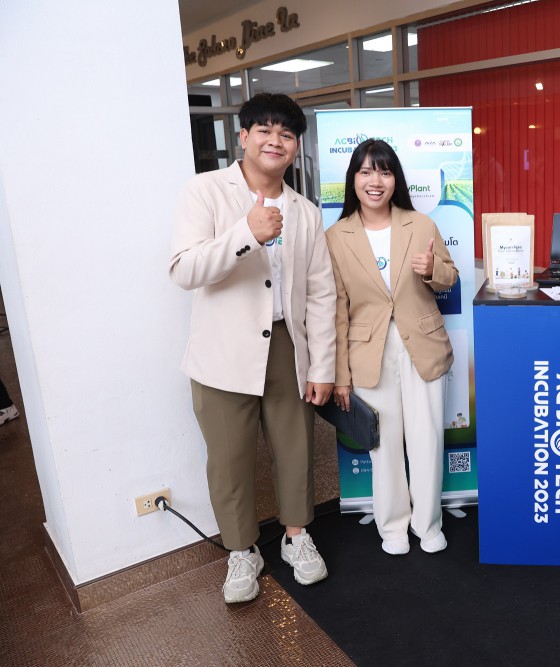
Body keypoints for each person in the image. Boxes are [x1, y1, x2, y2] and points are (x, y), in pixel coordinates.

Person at [169, 93, 337, 603]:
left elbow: (321, 293)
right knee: (229, 459)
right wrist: (247, 233)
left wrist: (323, 365)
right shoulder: (205, 192)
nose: (275, 141)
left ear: (296, 146)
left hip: (288, 345)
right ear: (243, 137)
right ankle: (241, 550)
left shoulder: (306, 212)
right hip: (222, 351)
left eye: (286, 134)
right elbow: (184, 269)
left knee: (296, 449)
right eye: (264, 130)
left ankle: (296, 536)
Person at [325, 139, 457, 556]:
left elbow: (450, 276)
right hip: (369, 352)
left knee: (426, 439)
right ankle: (394, 525)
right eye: (365, 172)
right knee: (383, 445)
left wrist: (432, 269)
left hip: (423, 345)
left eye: (383, 172)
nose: (375, 181)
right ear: (353, 179)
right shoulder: (336, 237)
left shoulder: (419, 224)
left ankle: (427, 524)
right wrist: (340, 377)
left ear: (394, 178)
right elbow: (338, 311)